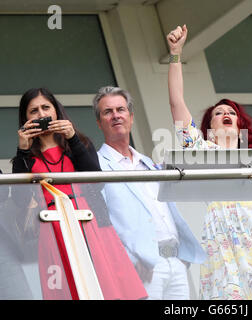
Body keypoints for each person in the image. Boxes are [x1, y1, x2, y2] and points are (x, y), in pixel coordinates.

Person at [167, 25, 252, 300]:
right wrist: (175, 54)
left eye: (231, 113)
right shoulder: (202, 149)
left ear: (240, 126)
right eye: (218, 113)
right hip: (224, 236)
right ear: (209, 127)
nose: (226, 114)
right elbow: (177, 102)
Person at [12, 87, 147, 300]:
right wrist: (22, 151)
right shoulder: (26, 155)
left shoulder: (78, 143)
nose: (41, 115)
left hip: (91, 224)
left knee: (108, 290)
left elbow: (97, 182)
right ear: (25, 118)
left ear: (56, 111)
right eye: (34, 111)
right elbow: (19, 201)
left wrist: (72, 137)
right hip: (53, 229)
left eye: (46, 107)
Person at [93, 85, 206, 300]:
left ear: (131, 117)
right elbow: (101, 220)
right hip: (141, 268)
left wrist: (180, 256)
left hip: (175, 263)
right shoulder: (96, 165)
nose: (116, 115)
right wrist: (128, 261)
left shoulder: (148, 162)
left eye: (121, 109)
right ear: (99, 123)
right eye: (108, 112)